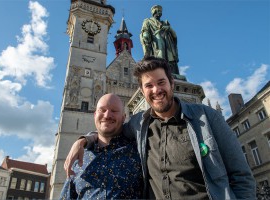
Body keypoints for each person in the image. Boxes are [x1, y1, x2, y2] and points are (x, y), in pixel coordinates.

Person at [64, 57, 256, 199]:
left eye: (161, 82)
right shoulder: (138, 125)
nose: (156, 90)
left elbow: (242, 175)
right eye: (149, 85)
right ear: (142, 91)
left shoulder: (207, 117)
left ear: (172, 83)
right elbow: (109, 128)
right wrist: (83, 140)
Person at [60, 94, 143, 199]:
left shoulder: (138, 151)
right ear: (94, 115)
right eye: (102, 110)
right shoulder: (80, 157)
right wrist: (82, 141)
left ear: (124, 117)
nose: (107, 115)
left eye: (114, 110)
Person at [140, 5, 179, 75]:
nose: (160, 13)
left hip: (167, 42)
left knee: (170, 56)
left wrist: (169, 29)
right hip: (156, 41)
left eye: (160, 11)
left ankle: (170, 71)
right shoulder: (148, 21)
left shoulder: (165, 23)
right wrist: (146, 36)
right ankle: (160, 69)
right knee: (160, 49)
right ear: (154, 12)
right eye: (158, 11)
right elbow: (145, 31)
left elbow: (175, 36)